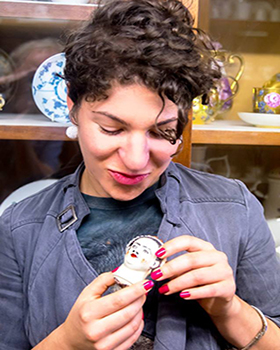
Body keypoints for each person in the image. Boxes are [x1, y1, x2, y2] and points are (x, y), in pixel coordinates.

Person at [0, 0, 280, 349]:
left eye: (161, 132)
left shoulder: (233, 209)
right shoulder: (18, 229)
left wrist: (229, 310)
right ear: (72, 105)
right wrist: (68, 342)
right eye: (111, 129)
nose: (135, 161)